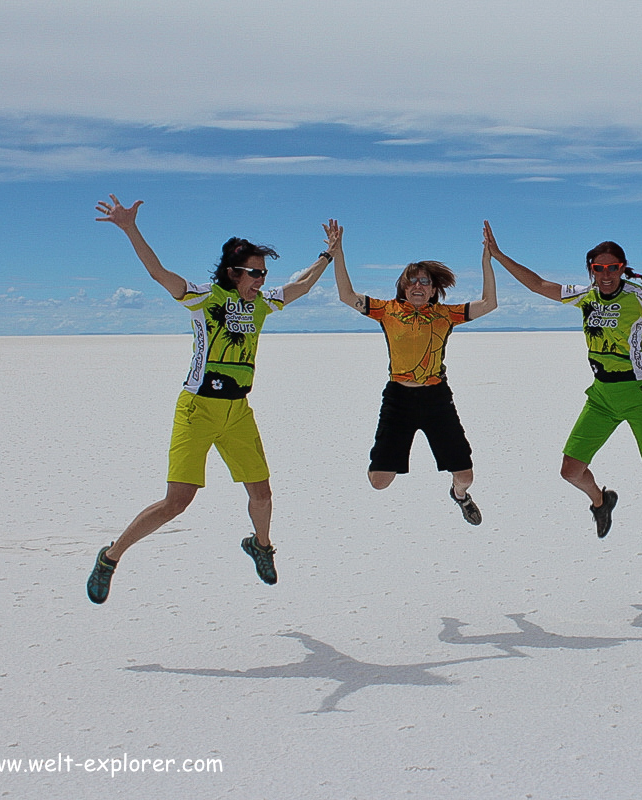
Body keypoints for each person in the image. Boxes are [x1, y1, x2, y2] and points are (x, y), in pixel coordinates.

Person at [86, 196, 337, 604]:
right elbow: (158, 273)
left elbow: (302, 285)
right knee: (176, 502)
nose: (261, 279)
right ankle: (111, 557)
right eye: (255, 272)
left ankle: (261, 545)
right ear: (232, 271)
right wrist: (130, 228)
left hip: (238, 412)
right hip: (197, 409)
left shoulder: (261, 304)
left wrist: (328, 253)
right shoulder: (203, 299)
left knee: (262, 494)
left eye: (264, 272)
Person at [482, 221, 642, 538]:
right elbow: (537, 284)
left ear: (622, 269)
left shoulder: (638, 297)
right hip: (602, 396)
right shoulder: (585, 296)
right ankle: (600, 502)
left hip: (637, 393)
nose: (606, 275)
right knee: (571, 471)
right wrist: (498, 254)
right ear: (591, 270)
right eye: (599, 268)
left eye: (613, 268)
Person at [333, 224, 497, 525]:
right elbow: (346, 294)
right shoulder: (387, 310)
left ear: (434, 289)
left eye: (425, 281)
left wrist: (487, 260)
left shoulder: (446, 314)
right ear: (403, 287)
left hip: (436, 397)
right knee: (379, 481)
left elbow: (489, 303)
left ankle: (459, 497)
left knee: (465, 475)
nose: (418, 286)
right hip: (398, 399)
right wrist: (337, 251)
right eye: (412, 281)